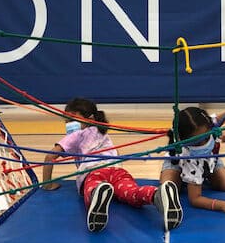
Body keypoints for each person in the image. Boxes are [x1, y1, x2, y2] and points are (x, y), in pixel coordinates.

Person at [42, 97, 183, 232]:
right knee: (131, 192)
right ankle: (156, 194)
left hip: (94, 172)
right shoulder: (102, 131)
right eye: (67, 121)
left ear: (90, 119)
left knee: (91, 189)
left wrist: (48, 184)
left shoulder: (76, 135)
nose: (69, 124)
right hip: (117, 170)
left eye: (72, 120)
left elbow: (50, 156)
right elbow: (116, 152)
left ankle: (97, 193)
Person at [160, 106, 225, 216]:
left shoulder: (209, 123)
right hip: (180, 162)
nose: (204, 144)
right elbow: (195, 199)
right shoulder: (188, 155)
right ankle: (181, 177)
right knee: (169, 190)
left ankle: (197, 177)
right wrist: (223, 205)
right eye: (197, 142)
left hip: (209, 159)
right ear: (183, 140)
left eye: (206, 137)